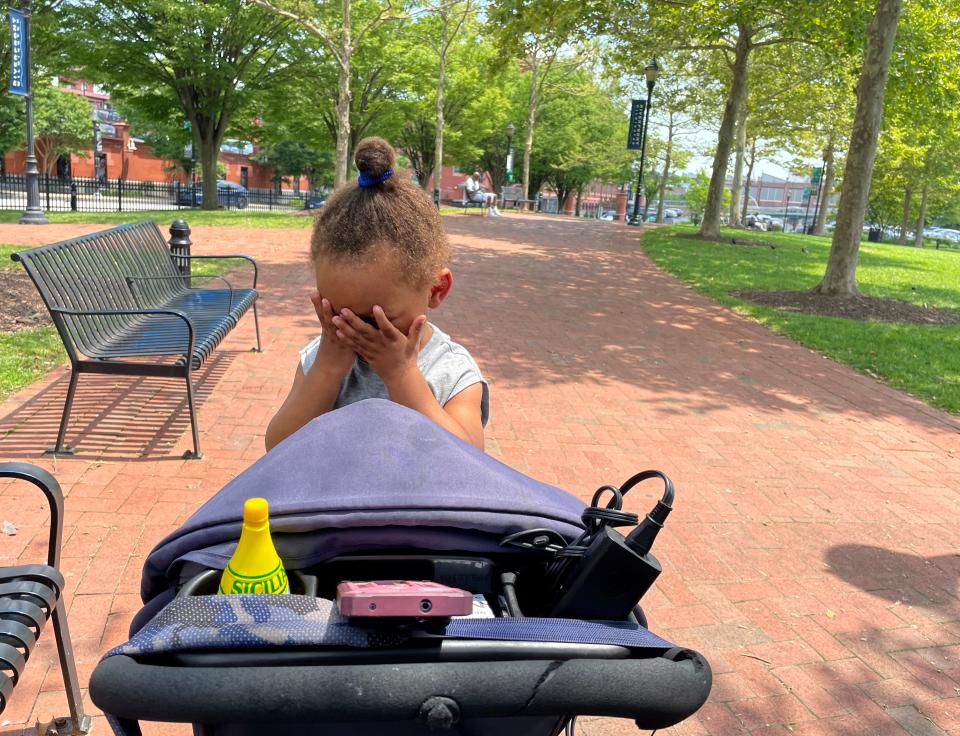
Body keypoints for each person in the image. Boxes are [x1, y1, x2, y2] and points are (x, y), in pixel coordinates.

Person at [265, 137, 489, 452]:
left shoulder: (449, 372)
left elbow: (470, 464)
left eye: (374, 319)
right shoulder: (322, 357)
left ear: (436, 290)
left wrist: (402, 375)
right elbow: (277, 448)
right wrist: (328, 369)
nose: (354, 331)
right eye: (337, 315)